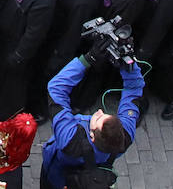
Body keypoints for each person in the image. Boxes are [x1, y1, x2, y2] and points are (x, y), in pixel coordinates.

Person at [40, 50, 143, 189]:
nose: (99, 111)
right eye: (105, 114)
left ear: (92, 136)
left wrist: (87, 59)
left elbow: (56, 88)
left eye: (98, 118)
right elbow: (134, 90)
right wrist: (129, 63)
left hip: (56, 180)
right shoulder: (125, 135)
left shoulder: (70, 139)